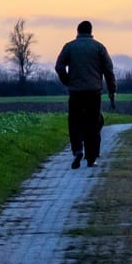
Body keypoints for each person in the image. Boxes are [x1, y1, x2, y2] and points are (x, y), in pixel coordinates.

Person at [54, 20, 116, 168]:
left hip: (75, 92)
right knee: (93, 123)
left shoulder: (69, 47)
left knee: (74, 122)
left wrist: (67, 81)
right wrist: (112, 90)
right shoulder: (99, 47)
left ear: (78, 31)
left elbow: (59, 66)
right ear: (91, 31)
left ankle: (77, 150)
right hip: (94, 92)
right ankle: (91, 158)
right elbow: (108, 70)